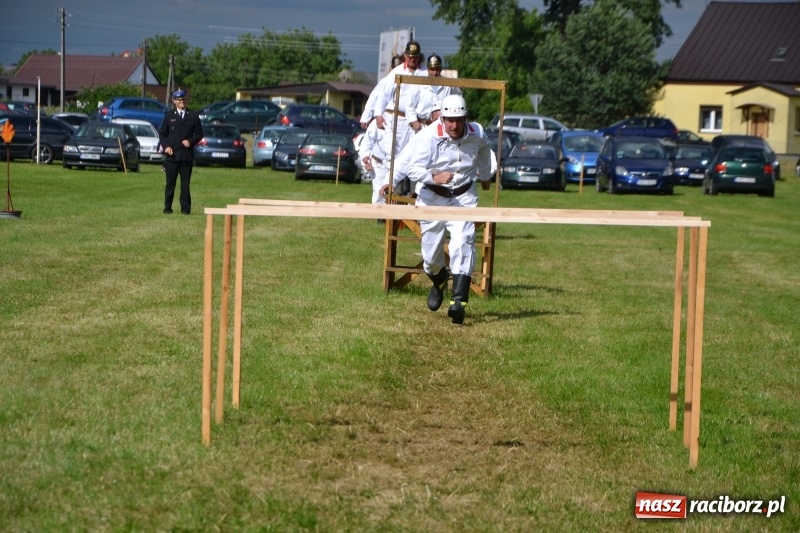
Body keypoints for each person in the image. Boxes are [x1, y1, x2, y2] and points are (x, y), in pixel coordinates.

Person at [381, 94, 493, 325]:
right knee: (431, 257)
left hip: (464, 196)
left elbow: (485, 149)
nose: (454, 125)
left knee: (463, 241)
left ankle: (459, 301)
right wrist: (431, 176)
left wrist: (485, 173)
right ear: (442, 118)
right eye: (450, 120)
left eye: (459, 120)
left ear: (465, 118)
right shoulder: (428, 136)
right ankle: (438, 280)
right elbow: (409, 164)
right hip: (433, 197)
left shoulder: (477, 132)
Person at [158, 89, 203, 214]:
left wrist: (191, 141)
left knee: (185, 184)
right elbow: (162, 134)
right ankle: (167, 208)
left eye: (183, 99)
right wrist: (166, 147)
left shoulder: (193, 115)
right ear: (174, 101)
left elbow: (199, 134)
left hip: (186, 156)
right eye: (179, 100)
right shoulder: (169, 115)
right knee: (170, 184)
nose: (181, 101)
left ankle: (185, 209)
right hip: (172, 156)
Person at [418, 53, 462, 125]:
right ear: (428, 69)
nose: (435, 73)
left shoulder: (448, 84)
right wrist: (414, 121)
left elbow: (459, 97)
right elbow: (410, 105)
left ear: (441, 69)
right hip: (422, 125)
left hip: (443, 124)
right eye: (432, 69)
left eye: (437, 69)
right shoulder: (419, 84)